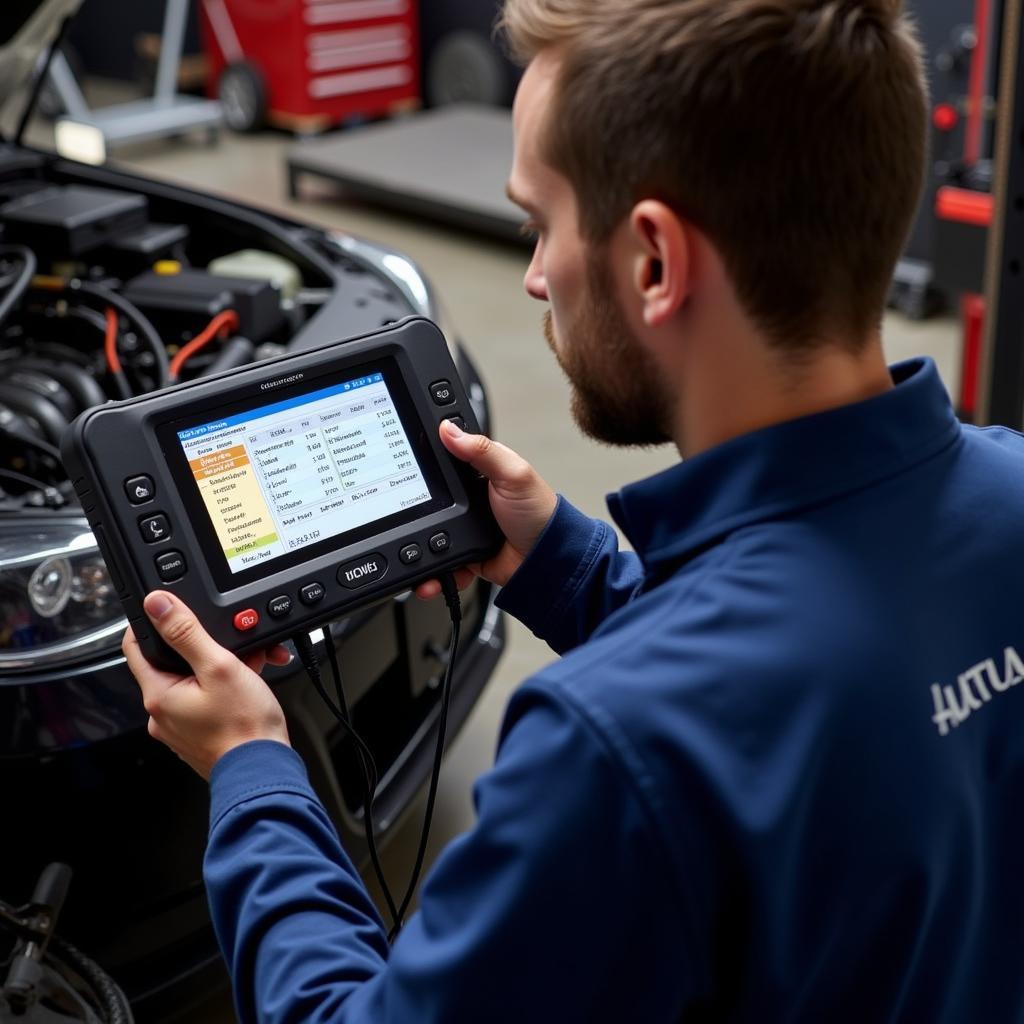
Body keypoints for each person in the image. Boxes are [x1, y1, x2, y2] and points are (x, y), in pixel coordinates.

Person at [122, 0, 1024, 1020]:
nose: (536, 275)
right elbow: (801, 702)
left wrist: (252, 769)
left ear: (653, 262)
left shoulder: (605, 750)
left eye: (539, 222)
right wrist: (561, 559)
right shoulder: (1012, 492)